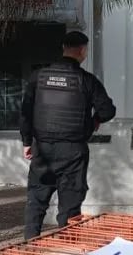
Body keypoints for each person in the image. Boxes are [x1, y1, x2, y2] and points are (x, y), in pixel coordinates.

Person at [19, 30, 117, 240]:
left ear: (64, 48)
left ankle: (30, 245)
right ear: (83, 51)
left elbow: (25, 113)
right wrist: (95, 121)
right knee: (70, 206)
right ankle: (67, 250)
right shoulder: (86, 80)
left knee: (36, 201)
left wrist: (27, 142)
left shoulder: (39, 76)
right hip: (73, 151)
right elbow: (108, 110)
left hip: (42, 149)